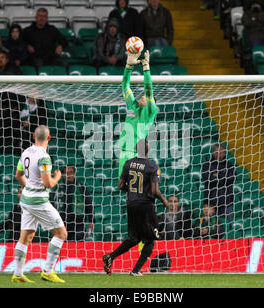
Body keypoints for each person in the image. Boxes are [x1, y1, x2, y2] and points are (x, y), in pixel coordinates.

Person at [102, 139, 168, 276]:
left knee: (134, 239)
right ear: (148, 150)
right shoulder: (152, 166)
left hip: (131, 205)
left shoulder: (128, 164)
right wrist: (164, 201)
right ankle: (136, 271)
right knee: (151, 239)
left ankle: (111, 257)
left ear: (137, 150)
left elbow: (120, 185)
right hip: (146, 207)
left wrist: (132, 192)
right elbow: (155, 191)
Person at [12, 125, 67, 283]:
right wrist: (57, 177)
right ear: (49, 138)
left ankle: (17, 274)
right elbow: (48, 183)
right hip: (38, 201)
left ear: (33, 136)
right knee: (61, 234)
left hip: (26, 200)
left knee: (26, 237)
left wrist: (28, 186)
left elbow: (18, 175)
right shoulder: (44, 157)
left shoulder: (26, 152)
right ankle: (48, 271)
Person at [117, 50, 158, 179]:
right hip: (124, 152)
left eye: (146, 97)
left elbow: (148, 90)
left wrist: (146, 68)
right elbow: (125, 86)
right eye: (143, 96)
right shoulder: (132, 106)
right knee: (123, 186)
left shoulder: (151, 112)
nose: (143, 97)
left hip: (138, 152)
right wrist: (128, 67)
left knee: (137, 190)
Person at [52, 166, 94, 242]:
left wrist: (91, 221)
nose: (69, 175)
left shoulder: (81, 188)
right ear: (63, 175)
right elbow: (52, 205)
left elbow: (89, 204)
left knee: (79, 242)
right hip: (62, 223)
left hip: (78, 222)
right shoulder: (58, 189)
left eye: (71, 173)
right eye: (66, 173)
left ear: (74, 174)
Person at [202, 142, 235, 223]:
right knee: (212, 227)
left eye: (220, 152)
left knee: (228, 225)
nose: (218, 154)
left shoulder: (230, 166)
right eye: (216, 152)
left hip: (227, 202)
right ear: (213, 152)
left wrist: (217, 175)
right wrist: (223, 175)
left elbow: (231, 179)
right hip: (211, 204)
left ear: (224, 153)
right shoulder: (206, 165)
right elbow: (207, 179)